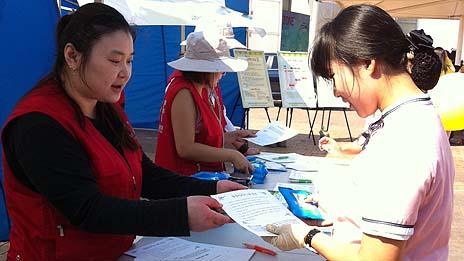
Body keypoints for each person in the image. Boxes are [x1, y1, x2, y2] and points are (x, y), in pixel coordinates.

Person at [1, 3, 247, 260]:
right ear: (72, 56)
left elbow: (145, 174)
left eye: (130, 61)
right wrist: (180, 214)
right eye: (114, 60)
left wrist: (214, 188)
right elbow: (87, 209)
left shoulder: (106, 106)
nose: (125, 73)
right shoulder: (39, 124)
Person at [264, 5, 454, 260]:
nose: (336, 92)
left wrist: (306, 236)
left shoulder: (403, 140)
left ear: (367, 63)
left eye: (334, 77)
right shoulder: (410, 118)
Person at [155, 31, 254, 176]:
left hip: (201, 177)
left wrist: (228, 137)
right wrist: (231, 155)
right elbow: (185, 148)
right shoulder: (184, 93)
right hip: (184, 181)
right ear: (205, 70)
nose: (223, 74)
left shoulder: (202, 90)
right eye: (220, 69)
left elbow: (201, 138)